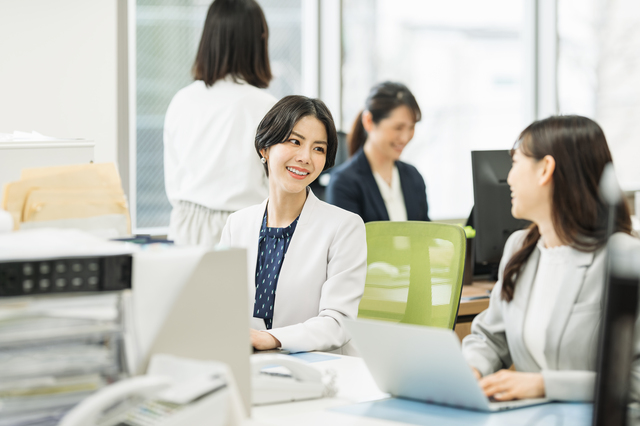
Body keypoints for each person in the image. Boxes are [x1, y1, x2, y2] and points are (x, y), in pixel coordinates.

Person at [462, 115, 635, 402]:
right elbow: (490, 336)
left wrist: (546, 385)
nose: (509, 177)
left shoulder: (625, 259)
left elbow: (634, 379)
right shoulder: (519, 248)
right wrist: (472, 368)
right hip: (533, 417)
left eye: (515, 162)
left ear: (545, 169)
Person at [219, 95, 367, 354]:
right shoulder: (236, 225)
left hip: (320, 365)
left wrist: (271, 339)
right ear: (265, 149)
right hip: (252, 362)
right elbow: (220, 308)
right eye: (295, 142)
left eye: (318, 149)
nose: (305, 157)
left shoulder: (345, 227)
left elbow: (338, 322)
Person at [164, 0, 276, 246]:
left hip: (185, 226)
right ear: (257, 41)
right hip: (243, 227)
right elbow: (276, 183)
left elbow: (173, 178)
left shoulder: (181, 100)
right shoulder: (266, 106)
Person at [326, 81, 429, 223]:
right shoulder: (344, 183)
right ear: (368, 121)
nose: (405, 138)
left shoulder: (413, 177)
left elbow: (426, 232)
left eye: (411, 127)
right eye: (398, 128)